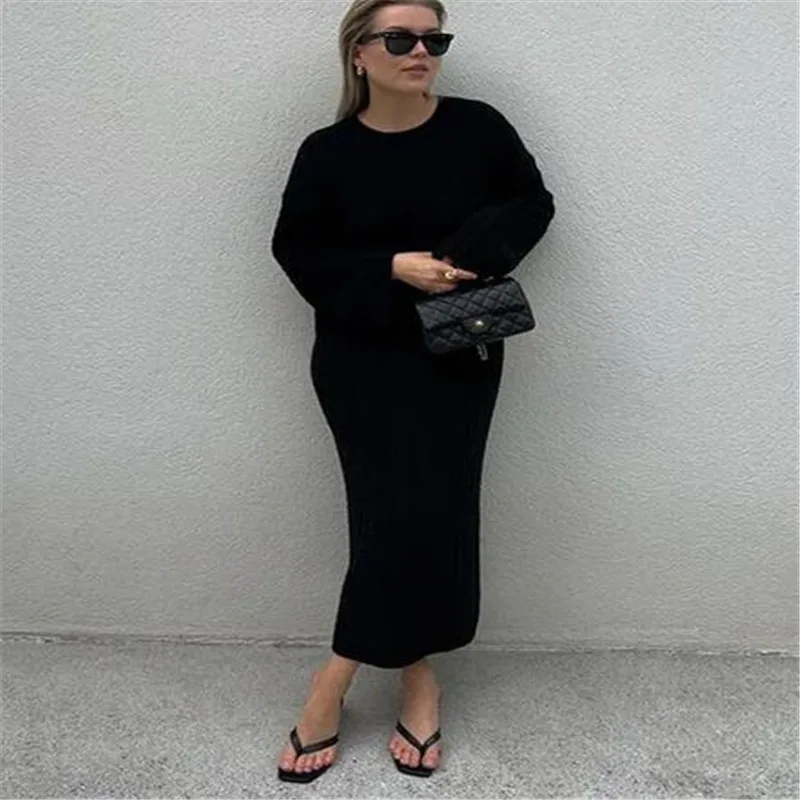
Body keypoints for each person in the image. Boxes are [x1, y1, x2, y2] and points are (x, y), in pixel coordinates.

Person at [271, 0, 555, 783]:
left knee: (433, 511)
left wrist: (459, 256)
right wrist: (392, 268)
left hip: (459, 352)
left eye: (434, 38)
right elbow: (297, 250)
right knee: (387, 515)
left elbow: (531, 203)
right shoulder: (327, 152)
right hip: (360, 359)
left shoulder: (478, 128)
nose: (420, 50)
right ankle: (408, 679)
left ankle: (345, 678)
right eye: (400, 38)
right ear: (359, 54)